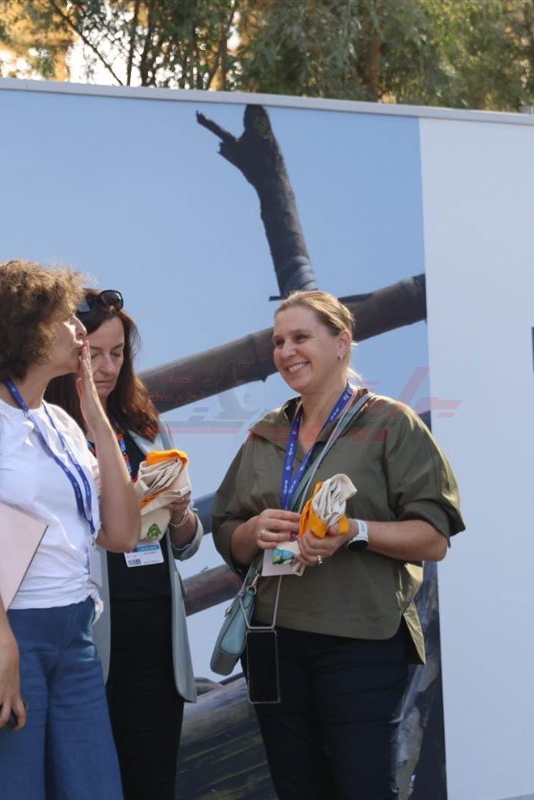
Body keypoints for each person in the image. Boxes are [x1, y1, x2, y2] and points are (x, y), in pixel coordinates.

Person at [211, 290, 464, 800]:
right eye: (279, 342)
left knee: (361, 787)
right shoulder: (266, 432)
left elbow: (433, 537)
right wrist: (252, 531)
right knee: (297, 789)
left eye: (300, 338)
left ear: (342, 343)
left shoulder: (391, 423)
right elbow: (226, 532)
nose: (286, 352)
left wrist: (354, 532)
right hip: (273, 643)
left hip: (361, 644)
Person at [0, 260, 139, 799]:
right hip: (6, 631)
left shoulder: (59, 420)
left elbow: (122, 534)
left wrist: (93, 413)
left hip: (74, 633)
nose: (78, 330)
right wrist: (2, 648)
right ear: (24, 330)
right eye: (65, 318)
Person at [45, 289, 202, 800]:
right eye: (94, 354)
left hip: (157, 643)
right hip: (88, 644)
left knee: (153, 784)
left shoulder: (147, 427)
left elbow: (185, 544)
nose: (108, 368)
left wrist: (179, 513)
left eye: (117, 353)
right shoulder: (46, 431)